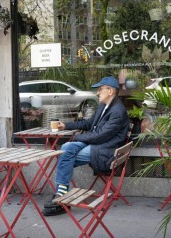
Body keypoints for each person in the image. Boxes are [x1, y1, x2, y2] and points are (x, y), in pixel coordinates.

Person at [42, 76, 130, 216]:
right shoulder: (104, 106)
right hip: (96, 143)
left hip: (105, 149)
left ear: (110, 91)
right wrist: (66, 125)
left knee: (64, 156)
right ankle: (62, 193)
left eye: (100, 89)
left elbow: (101, 135)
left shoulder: (118, 111)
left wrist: (76, 137)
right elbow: (89, 124)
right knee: (66, 149)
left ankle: (60, 195)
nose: (97, 93)